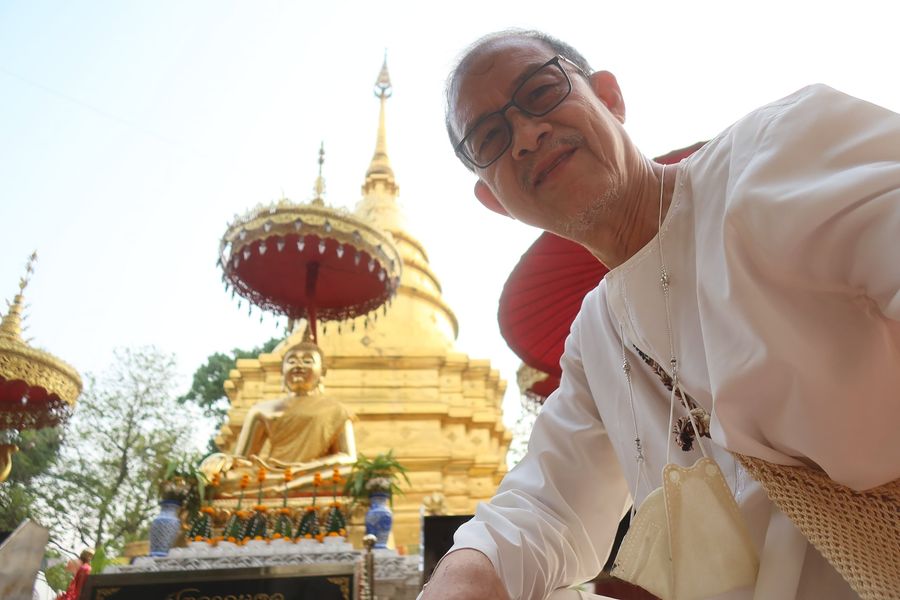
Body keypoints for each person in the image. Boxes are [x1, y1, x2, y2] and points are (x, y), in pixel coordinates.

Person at [421, 29, 900, 600]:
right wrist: (463, 574)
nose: (526, 135)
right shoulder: (597, 337)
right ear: (495, 200)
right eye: (492, 138)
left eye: (542, 92)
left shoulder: (775, 156)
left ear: (609, 97)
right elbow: (547, 507)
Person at [200, 332, 357, 496]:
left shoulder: (337, 409)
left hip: (312, 473)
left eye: (307, 361)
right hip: (270, 473)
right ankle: (284, 487)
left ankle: (282, 488)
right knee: (219, 478)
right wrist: (222, 460)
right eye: (292, 361)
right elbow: (243, 459)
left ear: (322, 371)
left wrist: (303, 468)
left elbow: (348, 457)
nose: (299, 365)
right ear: (282, 370)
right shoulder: (262, 410)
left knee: (353, 473)